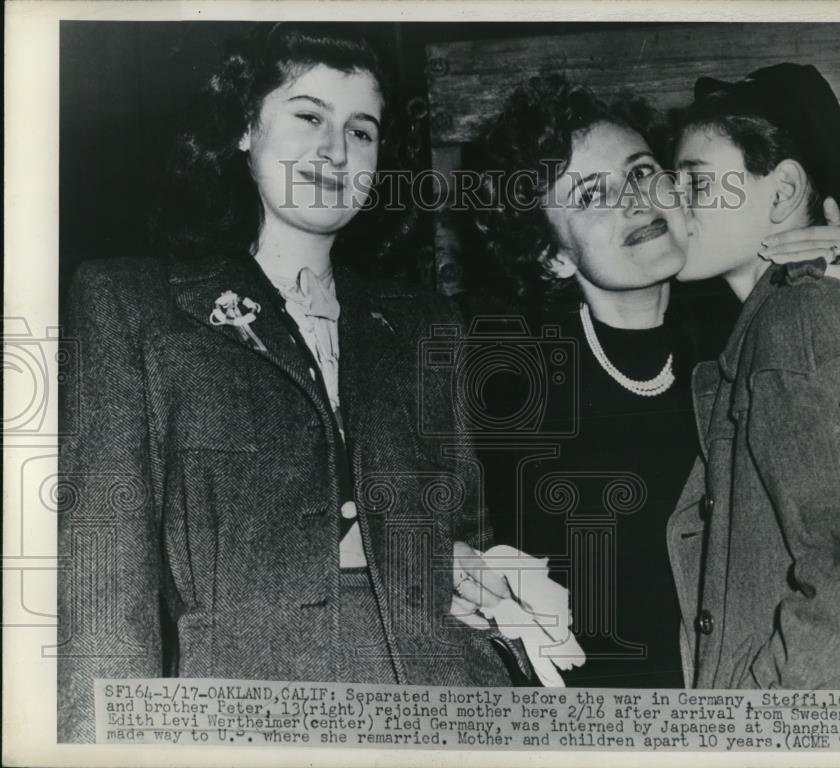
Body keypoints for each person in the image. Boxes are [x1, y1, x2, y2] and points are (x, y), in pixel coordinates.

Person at [57, 23, 513, 743]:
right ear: (244, 128)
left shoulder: (426, 321)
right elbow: (102, 581)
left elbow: (464, 532)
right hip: (244, 710)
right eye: (310, 117)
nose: (337, 150)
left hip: (445, 705)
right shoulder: (130, 304)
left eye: (362, 131)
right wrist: (98, 747)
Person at [455, 72, 840, 688]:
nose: (634, 202)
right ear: (550, 254)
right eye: (588, 197)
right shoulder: (504, 374)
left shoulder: (749, 328)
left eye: (640, 172)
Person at [668, 63, 840, 732]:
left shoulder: (801, 324)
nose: (669, 201)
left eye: (696, 182)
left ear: (782, 192)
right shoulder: (767, 331)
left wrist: (749, 728)